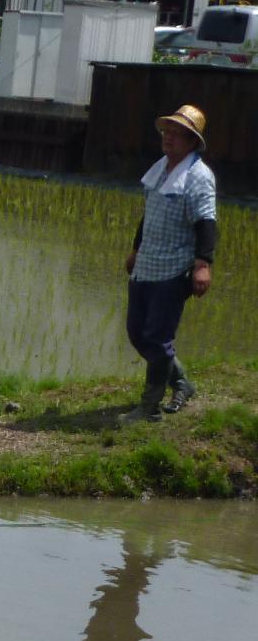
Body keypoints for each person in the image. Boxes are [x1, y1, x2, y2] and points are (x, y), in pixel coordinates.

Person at [124, 105, 216, 423]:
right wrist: (136, 249)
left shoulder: (199, 177)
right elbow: (150, 213)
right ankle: (180, 382)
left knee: (157, 335)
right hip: (147, 264)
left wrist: (203, 264)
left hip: (174, 268)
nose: (169, 137)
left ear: (192, 141)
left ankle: (149, 407)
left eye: (176, 133)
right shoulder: (161, 168)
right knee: (137, 332)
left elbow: (206, 222)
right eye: (167, 131)